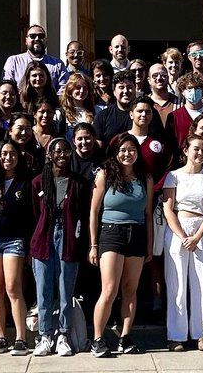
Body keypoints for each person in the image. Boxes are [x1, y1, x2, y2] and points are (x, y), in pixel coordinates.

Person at [88, 134, 154, 358]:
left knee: (130, 290)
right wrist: (93, 244)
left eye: (132, 150)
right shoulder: (104, 174)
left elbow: (148, 214)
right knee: (109, 289)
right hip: (111, 233)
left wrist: (149, 245)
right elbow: (94, 211)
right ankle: (98, 339)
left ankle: (125, 337)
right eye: (123, 150)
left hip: (137, 233)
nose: (127, 154)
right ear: (116, 152)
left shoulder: (145, 178)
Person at [162, 134, 203, 352]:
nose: (200, 153)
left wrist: (196, 237)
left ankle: (202, 334)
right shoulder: (173, 176)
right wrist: (182, 235)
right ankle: (176, 335)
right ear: (186, 150)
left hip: (201, 230)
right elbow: (168, 208)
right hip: (177, 229)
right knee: (176, 284)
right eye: (196, 148)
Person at [29, 138, 89, 357]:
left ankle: (63, 335)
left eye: (66, 151)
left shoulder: (78, 182)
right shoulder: (38, 182)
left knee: (66, 289)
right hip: (43, 238)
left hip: (68, 237)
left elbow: (82, 213)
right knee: (43, 290)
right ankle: (45, 336)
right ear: (50, 154)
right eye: (57, 151)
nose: (62, 155)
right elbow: (35, 213)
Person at [0, 139, 35, 356]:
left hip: (15, 239)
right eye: (4, 154)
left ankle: (21, 338)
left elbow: (30, 217)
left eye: (12, 153)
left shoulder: (25, 183)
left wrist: (29, 245)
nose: (8, 158)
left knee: (13, 287)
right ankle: (1, 337)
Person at [3, 25, 68, 91]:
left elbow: (63, 90)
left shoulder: (58, 64)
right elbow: (8, 88)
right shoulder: (13, 61)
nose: (37, 39)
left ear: (46, 40)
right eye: (32, 36)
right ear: (26, 40)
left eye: (41, 36)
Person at [167, 72, 203, 148]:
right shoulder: (174, 117)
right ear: (182, 91)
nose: (193, 91)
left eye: (197, 88)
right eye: (189, 88)